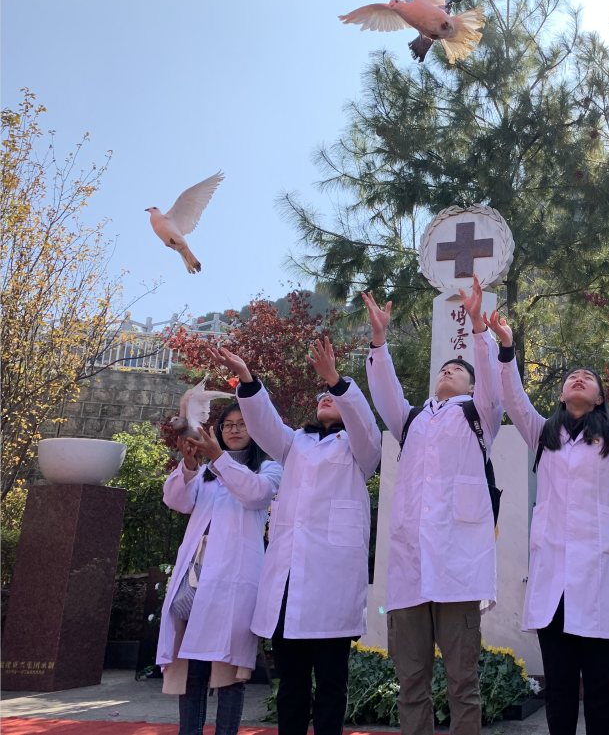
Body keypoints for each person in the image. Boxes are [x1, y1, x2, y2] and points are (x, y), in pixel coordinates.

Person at [486, 309, 609, 735]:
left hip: (597, 577)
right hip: (554, 580)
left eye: (588, 378)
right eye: (572, 376)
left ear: (600, 399)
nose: (578, 379)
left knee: (602, 687)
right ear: (560, 395)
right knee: (560, 688)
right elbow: (514, 400)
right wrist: (507, 348)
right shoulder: (542, 435)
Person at [208, 338, 382, 735]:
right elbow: (264, 423)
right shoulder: (295, 443)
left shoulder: (361, 449)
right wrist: (246, 377)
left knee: (332, 683)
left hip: (332, 580)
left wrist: (335, 379)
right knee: (291, 685)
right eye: (322, 395)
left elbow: (365, 426)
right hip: (288, 581)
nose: (326, 397)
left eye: (333, 395)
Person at [361, 274, 502, 735]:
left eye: (458, 370)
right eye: (444, 368)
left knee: (463, 683)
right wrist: (379, 340)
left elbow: (492, 384)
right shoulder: (413, 419)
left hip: (459, 568)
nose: (447, 371)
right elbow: (385, 392)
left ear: (471, 386)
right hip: (409, 568)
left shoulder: (479, 415)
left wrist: (478, 328)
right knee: (411, 684)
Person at [159, 401, 283, 735]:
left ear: (255, 430)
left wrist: (218, 458)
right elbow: (177, 501)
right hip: (197, 576)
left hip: (235, 578)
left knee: (229, 671)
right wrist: (189, 464)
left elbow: (256, 495)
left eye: (242, 424)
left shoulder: (269, 469)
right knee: (194, 667)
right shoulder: (206, 474)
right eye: (228, 424)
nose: (234, 430)